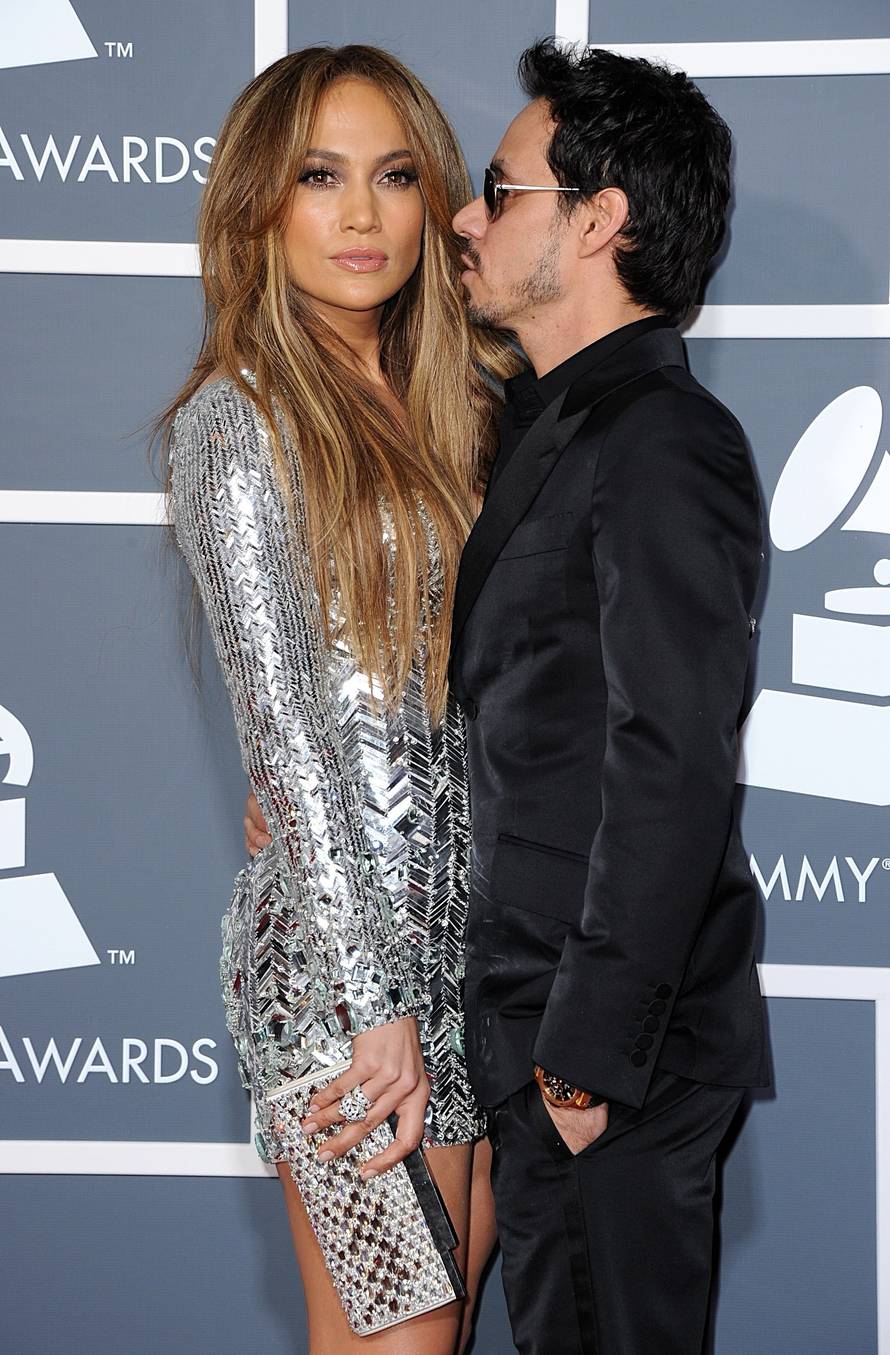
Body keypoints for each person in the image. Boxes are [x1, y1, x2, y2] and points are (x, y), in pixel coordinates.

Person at [162, 44, 519, 1355]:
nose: (361, 216)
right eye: (320, 177)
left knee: (440, 1332)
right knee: (399, 1341)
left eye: (392, 177)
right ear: (260, 205)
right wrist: (375, 1010)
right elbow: (293, 739)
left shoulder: (457, 411)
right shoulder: (237, 421)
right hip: (337, 985)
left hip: (463, 964)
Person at [448, 39, 770, 1355]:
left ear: (597, 220)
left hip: (600, 1056)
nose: (465, 218)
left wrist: (584, 1055)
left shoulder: (660, 441)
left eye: (500, 188)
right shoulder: (562, 421)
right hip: (547, 1034)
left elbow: (672, 761)